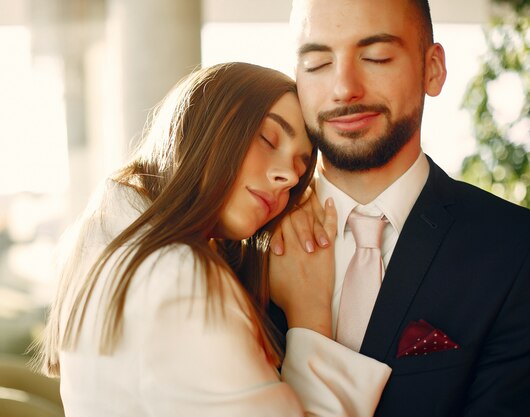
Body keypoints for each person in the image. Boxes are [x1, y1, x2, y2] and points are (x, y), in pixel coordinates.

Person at [35, 62, 391, 417]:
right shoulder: (178, 277)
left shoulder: (114, 234)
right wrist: (310, 314)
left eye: (300, 170)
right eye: (267, 139)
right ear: (201, 123)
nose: (287, 177)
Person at [269, 0, 530, 416]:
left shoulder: (515, 249)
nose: (343, 87)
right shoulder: (243, 240)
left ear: (433, 68)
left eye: (376, 57)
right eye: (317, 63)